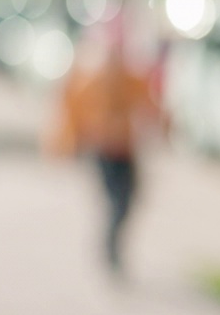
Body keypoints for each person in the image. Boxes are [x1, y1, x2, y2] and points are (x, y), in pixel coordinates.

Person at [47, 19, 165, 279]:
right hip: (103, 151)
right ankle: (110, 251)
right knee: (115, 203)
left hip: (125, 148)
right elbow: (70, 110)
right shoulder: (91, 77)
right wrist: (66, 144)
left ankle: (112, 248)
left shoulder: (130, 76)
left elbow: (150, 103)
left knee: (128, 201)